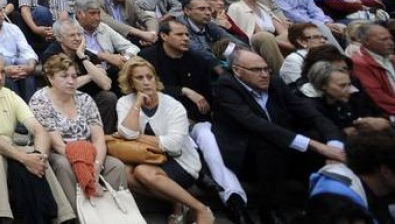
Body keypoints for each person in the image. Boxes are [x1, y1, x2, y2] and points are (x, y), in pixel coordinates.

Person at [212, 48, 345, 222]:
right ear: (237, 70)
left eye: (266, 69)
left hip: (282, 144)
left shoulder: (275, 83)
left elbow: (310, 113)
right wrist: (315, 145)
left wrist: (334, 145)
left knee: (317, 137)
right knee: (271, 143)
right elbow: (255, 124)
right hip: (246, 153)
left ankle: (319, 200)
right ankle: (269, 210)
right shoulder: (226, 86)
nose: (264, 74)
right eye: (256, 70)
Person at [0, 52, 76, 224]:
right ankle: (1, 217)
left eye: (3, 72)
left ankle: (64, 217)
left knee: (38, 158)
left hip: (9, 149)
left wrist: (37, 155)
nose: (0, 77)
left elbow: (39, 130)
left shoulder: (8, 94)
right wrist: (24, 158)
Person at [115, 57, 215, 224]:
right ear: (130, 82)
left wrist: (137, 136)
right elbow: (126, 131)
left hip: (180, 161)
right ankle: (181, 201)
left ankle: (200, 209)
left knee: (142, 172)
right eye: (139, 78)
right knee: (122, 172)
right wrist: (137, 104)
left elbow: (174, 145)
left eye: (150, 76)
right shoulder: (125, 102)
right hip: (145, 158)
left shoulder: (173, 105)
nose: (146, 82)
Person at [28, 54, 129, 212]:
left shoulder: (85, 99)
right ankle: (77, 214)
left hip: (89, 151)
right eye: (64, 76)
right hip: (58, 152)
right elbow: (57, 144)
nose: (71, 81)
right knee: (63, 165)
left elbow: (99, 139)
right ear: (50, 78)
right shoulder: (40, 100)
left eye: (74, 76)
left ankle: (113, 214)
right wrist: (84, 165)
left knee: (116, 166)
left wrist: (96, 165)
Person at [303, 62, 389, 137]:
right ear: (322, 85)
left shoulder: (342, 100)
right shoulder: (309, 107)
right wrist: (342, 133)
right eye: (342, 86)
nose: (349, 90)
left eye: (349, 85)